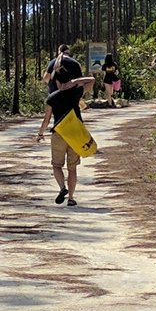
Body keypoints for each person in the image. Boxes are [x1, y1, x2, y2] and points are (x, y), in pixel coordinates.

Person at [45, 60, 104, 206]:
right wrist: (75, 81)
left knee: (56, 165)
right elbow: (92, 80)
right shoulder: (76, 93)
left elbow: (46, 119)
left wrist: (40, 134)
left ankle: (62, 188)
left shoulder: (52, 97)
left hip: (59, 133)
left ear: (57, 82)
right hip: (76, 134)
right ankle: (71, 198)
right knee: (72, 168)